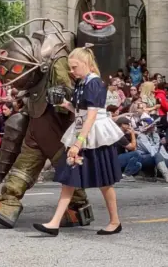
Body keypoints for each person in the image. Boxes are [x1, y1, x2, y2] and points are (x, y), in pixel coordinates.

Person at [33, 46, 124, 236]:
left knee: (105, 182)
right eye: (70, 67)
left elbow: (91, 116)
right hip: (83, 132)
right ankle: (54, 223)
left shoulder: (94, 83)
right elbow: (80, 111)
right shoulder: (82, 83)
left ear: (87, 64)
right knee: (69, 180)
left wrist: (77, 143)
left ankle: (115, 221)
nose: (71, 71)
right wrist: (64, 104)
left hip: (94, 134)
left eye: (74, 67)